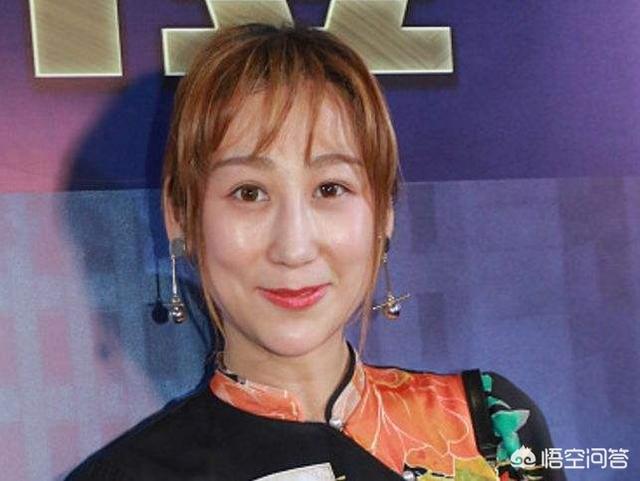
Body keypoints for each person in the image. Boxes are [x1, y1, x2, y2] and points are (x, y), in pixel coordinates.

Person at [66, 23, 564, 481]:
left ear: (383, 211)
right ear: (181, 216)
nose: (294, 247)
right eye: (249, 193)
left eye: (329, 188)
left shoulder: (492, 426)